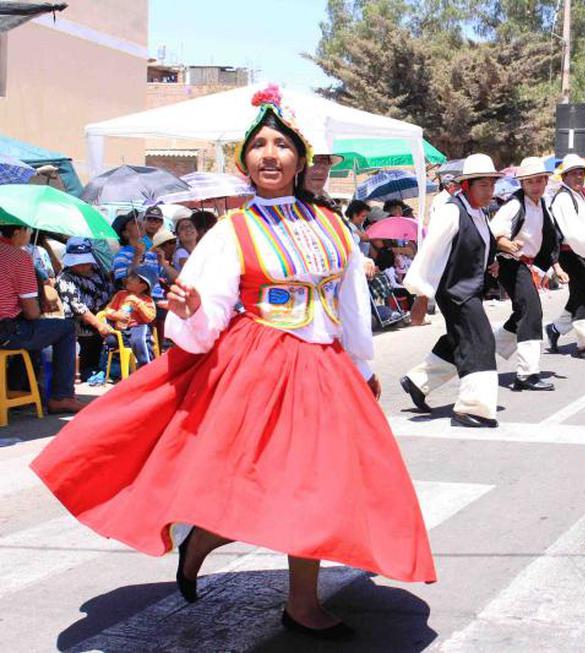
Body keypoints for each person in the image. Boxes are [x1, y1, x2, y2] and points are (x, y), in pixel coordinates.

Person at [31, 84, 435, 640]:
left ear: (300, 158)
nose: (270, 153)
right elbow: (202, 325)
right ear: (245, 161)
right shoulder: (232, 232)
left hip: (325, 369)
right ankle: (205, 536)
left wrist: (363, 366)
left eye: (281, 144)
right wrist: (188, 308)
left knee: (318, 486)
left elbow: (350, 304)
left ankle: (299, 601)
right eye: (259, 145)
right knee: (258, 483)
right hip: (259, 368)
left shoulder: (335, 226)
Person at [400, 153, 502, 428]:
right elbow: (431, 253)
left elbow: (479, 246)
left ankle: (418, 381)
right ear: (466, 186)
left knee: (458, 339)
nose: (489, 191)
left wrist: (490, 264)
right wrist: (421, 295)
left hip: (471, 287)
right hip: (455, 290)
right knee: (480, 342)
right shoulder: (451, 210)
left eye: (492, 185)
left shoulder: (479, 213)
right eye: (483, 185)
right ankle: (472, 408)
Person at [490, 156, 569, 392]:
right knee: (532, 312)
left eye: (539, 181)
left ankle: (488, 347)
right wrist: (507, 244)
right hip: (509, 263)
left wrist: (557, 267)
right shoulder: (515, 205)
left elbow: (549, 240)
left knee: (524, 313)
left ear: (546, 182)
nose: (535, 186)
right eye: (530, 182)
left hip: (524, 264)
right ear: (522, 184)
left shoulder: (541, 205)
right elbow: (495, 232)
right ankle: (527, 373)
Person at [0, 224, 84, 414]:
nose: (30, 234)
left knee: (31, 330)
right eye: (28, 230)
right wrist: (40, 308)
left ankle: (21, 388)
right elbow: (32, 313)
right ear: (16, 233)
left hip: (9, 329)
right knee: (65, 328)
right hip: (6, 332)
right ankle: (61, 397)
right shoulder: (19, 257)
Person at [545, 153, 585, 361]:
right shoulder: (563, 198)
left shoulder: (579, 196)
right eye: (574, 174)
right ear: (564, 177)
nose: (579, 177)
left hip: (583, 252)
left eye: (581, 173)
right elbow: (573, 234)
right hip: (572, 254)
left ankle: (556, 328)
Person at [54, 238, 114, 381]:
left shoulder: (99, 272)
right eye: (78, 262)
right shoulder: (65, 278)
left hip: (103, 321)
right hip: (80, 329)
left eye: (85, 261)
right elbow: (78, 307)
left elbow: (110, 293)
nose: (83, 266)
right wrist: (99, 325)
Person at [101, 266, 158, 368]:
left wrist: (138, 304)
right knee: (110, 341)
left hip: (138, 327)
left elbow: (150, 318)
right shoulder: (121, 295)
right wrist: (116, 315)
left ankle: (146, 367)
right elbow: (107, 310)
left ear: (143, 285)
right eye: (129, 276)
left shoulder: (146, 300)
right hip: (121, 329)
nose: (128, 279)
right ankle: (116, 367)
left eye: (133, 277)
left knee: (139, 339)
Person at [111, 210, 164, 299]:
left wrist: (162, 262)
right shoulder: (121, 256)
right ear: (125, 233)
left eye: (138, 221)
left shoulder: (151, 253)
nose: (139, 223)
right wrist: (137, 257)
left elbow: (161, 278)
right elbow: (125, 284)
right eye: (133, 223)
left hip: (158, 301)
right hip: (140, 304)